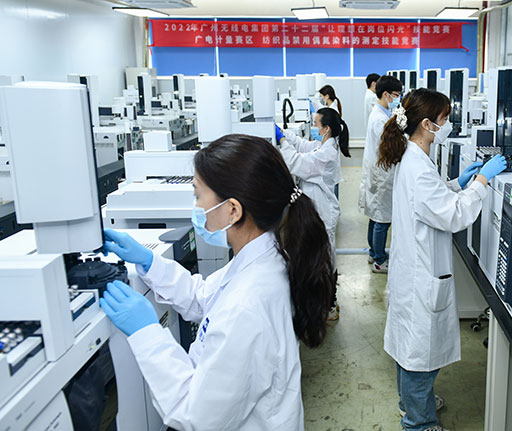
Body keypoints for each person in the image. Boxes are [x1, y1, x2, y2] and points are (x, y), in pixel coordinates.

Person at [99, 134, 336, 431]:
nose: (196, 207)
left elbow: (196, 416)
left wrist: (147, 333)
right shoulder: (262, 257)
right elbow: (204, 298)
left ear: (233, 210)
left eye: (198, 196)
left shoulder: (248, 304)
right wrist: (150, 263)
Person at [377, 89, 507, 431]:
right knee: (419, 354)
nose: (448, 124)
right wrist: (481, 181)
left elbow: (429, 202)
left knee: (411, 348)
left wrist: (456, 184)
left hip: (412, 270)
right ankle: (418, 422)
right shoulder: (417, 166)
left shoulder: (414, 157)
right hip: (420, 276)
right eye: (444, 119)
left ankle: (411, 402)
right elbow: (453, 216)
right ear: (427, 124)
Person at [275, 107, 350, 321]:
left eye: (316, 124)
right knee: (320, 258)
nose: (314, 127)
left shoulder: (327, 153)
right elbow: (302, 145)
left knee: (324, 260)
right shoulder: (323, 144)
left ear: (326, 129)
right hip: (318, 210)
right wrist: (283, 133)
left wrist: (282, 142)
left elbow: (298, 163)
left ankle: (329, 305)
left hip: (323, 212)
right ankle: (325, 302)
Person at [359, 75, 402, 274]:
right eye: (396, 95)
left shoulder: (383, 113)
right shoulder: (379, 119)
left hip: (378, 171)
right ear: (386, 94)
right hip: (382, 174)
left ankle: (373, 252)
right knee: (382, 219)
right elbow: (389, 146)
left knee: (375, 216)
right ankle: (379, 260)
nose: (397, 99)